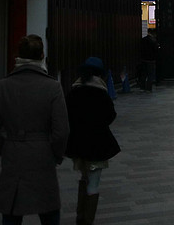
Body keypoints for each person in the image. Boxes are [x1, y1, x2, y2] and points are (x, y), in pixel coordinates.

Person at [0, 35, 69, 225]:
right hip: (42, 154)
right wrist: (55, 154)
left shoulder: (2, 86)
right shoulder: (52, 87)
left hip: (13, 152)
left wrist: (7, 148)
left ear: (18, 56)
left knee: (11, 210)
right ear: (41, 56)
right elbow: (61, 131)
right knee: (48, 210)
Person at [66, 57, 120, 225]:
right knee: (94, 183)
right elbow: (111, 116)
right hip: (98, 144)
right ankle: (88, 220)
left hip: (77, 143)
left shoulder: (74, 91)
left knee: (83, 178)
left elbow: (66, 115)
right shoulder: (101, 93)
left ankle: (80, 216)